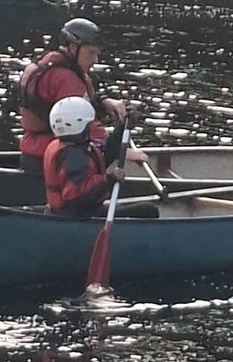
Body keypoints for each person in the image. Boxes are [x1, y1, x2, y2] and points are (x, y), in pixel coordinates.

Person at [19, 17, 145, 175]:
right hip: (56, 160)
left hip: (33, 153)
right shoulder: (66, 79)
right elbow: (88, 127)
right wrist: (121, 151)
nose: (95, 60)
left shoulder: (49, 64)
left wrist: (106, 102)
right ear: (72, 47)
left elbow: (77, 104)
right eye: (91, 53)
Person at [43, 96, 158, 219]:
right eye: (89, 124)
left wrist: (122, 126)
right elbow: (76, 197)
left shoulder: (73, 147)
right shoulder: (73, 156)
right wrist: (109, 180)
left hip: (77, 212)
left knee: (144, 209)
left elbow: (104, 158)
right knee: (149, 211)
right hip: (77, 216)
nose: (91, 126)